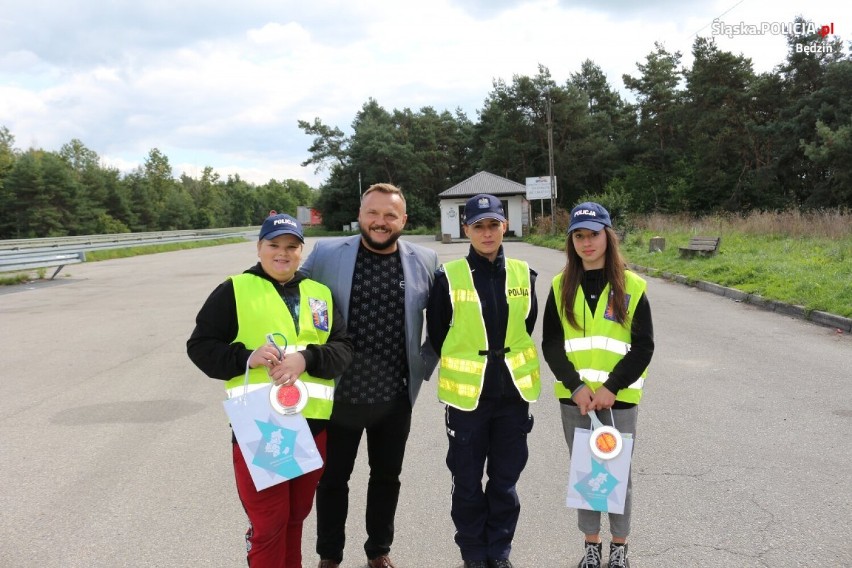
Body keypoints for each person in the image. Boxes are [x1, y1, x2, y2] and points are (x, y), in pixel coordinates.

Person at [187, 213, 353, 568]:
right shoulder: (235, 289)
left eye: (291, 247)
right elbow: (200, 347)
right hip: (265, 424)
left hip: (313, 425)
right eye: (274, 245)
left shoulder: (318, 293)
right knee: (269, 524)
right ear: (259, 247)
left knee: (296, 518)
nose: (283, 253)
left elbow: (343, 348)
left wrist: (307, 359)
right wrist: (246, 357)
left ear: (301, 251)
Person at [300, 183, 439, 568]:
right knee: (331, 482)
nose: (381, 222)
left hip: (394, 399)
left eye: (390, 215)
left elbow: (445, 320)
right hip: (337, 396)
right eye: (373, 213)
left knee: (386, 479)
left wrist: (423, 363)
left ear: (403, 220)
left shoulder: (425, 260)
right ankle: (329, 555)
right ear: (360, 215)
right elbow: (289, 294)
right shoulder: (327, 253)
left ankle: (378, 551)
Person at [426, 193, 540, 568]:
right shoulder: (449, 276)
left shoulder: (525, 274)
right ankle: (474, 555)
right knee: (468, 484)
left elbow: (525, 327)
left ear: (504, 226)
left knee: (505, 484)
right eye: (479, 226)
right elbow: (441, 334)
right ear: (466, 230)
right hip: (467, 402)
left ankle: (499, 552)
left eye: (494, 224)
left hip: (512, 397)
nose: (487, 233)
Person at [541, 202, 654, 568]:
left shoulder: (631, 286)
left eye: (594, 234)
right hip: (576, 400)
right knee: (588, 474)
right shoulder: (560, 286)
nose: (587, 242)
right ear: (571, 241)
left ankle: (619, 548)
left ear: (608, 235)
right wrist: (575, 386)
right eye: (579, 236)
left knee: (618, 475)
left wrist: (612, 387)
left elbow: (643, 347)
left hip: (616, 401)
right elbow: (552, 344)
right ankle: (592, 546)